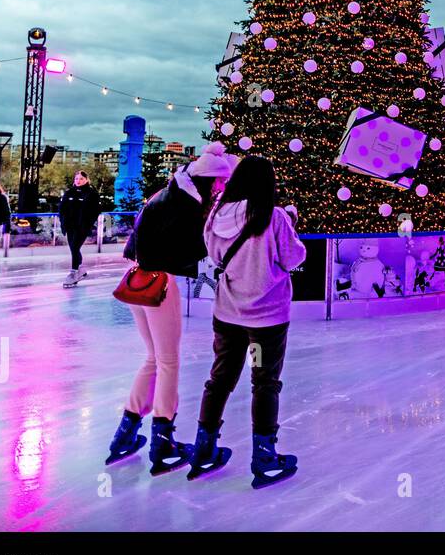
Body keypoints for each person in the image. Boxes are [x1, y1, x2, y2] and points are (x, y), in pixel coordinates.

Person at [106, 142, 234, 475]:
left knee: (153, 358)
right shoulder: (185, 205)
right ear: (208, 179)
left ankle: (125, 433)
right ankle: (162, 440)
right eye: (219, 182)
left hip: (136, 281)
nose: (221, 188)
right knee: (168, 362)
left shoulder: (166, 194)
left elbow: (141, 242)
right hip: (158, 285)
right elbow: (197, 249)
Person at [191, 155, 307, 488]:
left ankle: (204, 447)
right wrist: (292, 225)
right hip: (264, 321)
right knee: (264, 381)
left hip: (228, 315)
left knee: (221, 377)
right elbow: (294, 257)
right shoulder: (274, 217)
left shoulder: (216, 214)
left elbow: (213, 256)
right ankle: (264, 455)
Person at [59, 170, 101, 288]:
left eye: (81, 179)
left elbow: (96, 210)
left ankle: (73, 272)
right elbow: (62, 209)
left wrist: (88, 223)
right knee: (73, 248)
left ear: (87, 180)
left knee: (75, 247)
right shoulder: (69, 193)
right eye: (77, 179)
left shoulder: (92, 193)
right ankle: (80, 269)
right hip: (69, 226)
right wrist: (63, 222)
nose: (78, 181)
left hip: (82, 226)